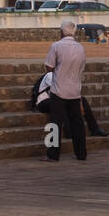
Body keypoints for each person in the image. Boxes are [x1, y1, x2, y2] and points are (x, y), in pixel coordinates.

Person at [43, 20, 87, 161]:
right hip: (74, 90)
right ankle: (81, 153)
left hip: (58, 89)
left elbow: (49, 67)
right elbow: (81, 69)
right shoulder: (80, 48)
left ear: (61, 31)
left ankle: (53, 154)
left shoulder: (56, 46)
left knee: (55, 123)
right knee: (77, 123)